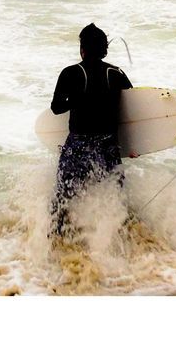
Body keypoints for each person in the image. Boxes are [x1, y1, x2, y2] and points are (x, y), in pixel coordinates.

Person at [49, 23, 133, 238]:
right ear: (104, 49)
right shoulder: (116, 73)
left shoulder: (70, 73)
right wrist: (134, 145)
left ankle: (59, 240)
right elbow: (133, 112)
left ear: (82, 48)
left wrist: (76, 100)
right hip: (108, 145)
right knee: (115, 194)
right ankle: (123, 237)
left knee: (64, 196)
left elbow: (56, 107)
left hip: (78, 144)